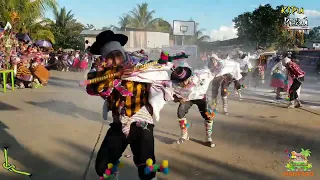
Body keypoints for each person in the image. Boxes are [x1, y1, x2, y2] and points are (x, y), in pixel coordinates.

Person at [86, 30, 158, 180]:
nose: (114, 61)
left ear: (123, 52)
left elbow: (161, 72)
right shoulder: (100, 70)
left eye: (117, 55)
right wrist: (115, 73)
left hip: (141, 119)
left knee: (147, 168)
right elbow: (92, 88)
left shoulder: (139, 62)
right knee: (103, 167)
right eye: (109, 58)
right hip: (119, 121)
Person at [171, 66, 216, 147]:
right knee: (180, 114)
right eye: (181, 81)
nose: (184, 83)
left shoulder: (199, 77)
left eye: (185, 80)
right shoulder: (174, 85)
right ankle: (184, 135)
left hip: (201, 98)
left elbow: (211, 74)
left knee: (209, 116)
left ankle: (208, 138)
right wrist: (179, 100)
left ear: (189, 77)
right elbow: (172, 97)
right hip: (187, 99)